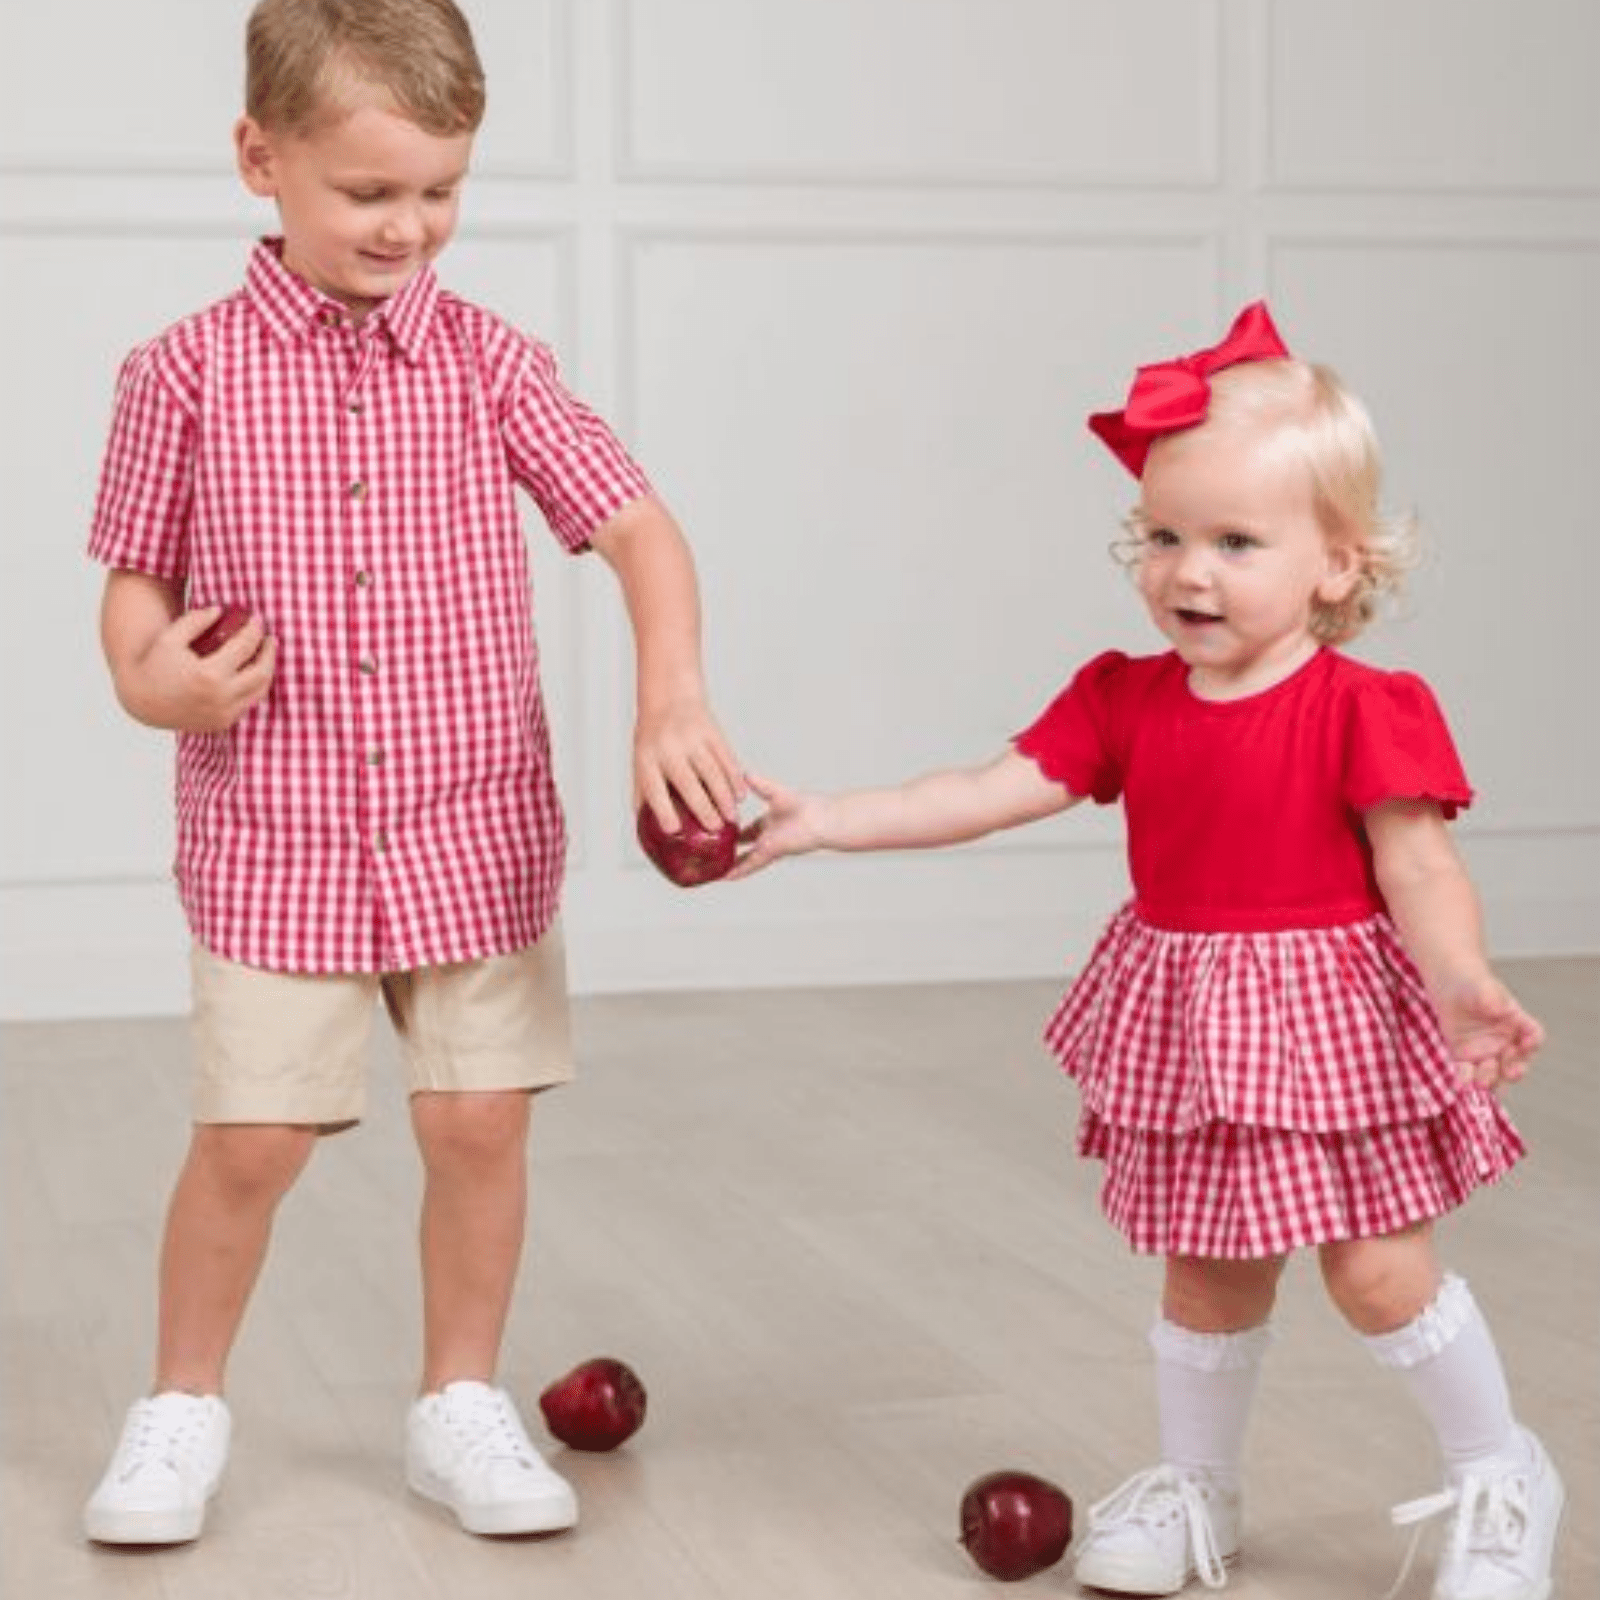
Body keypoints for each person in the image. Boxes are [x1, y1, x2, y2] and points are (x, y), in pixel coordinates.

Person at [732, 303, 1563, 1598]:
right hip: (1191, 1016)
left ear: (1337, 565)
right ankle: (1201, 1493)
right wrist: (827, 821)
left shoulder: (1364, 708)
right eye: (1166, 536)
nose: (1191, 571)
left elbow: (1418, 864)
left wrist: (1461, 982)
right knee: (1209, 1278)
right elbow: (988, 787)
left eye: (1237, 541)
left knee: (1379, 1271)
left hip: (1327, 1018)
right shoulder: (1126, 697)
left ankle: (1499, 1469)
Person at [82, 0, 743, 1547]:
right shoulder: (180, 374)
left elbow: (635, 523)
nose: (410, 225)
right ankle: (180, 1408)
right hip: (278, 831)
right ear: (262, 158)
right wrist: (147, 678)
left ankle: (459, 1401)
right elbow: (131, 579)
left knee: (479, 1124)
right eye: (369, 192)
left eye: (440, 188)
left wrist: (670, 693)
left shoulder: (493, 361)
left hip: (471, 827)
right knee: (251, 1141)